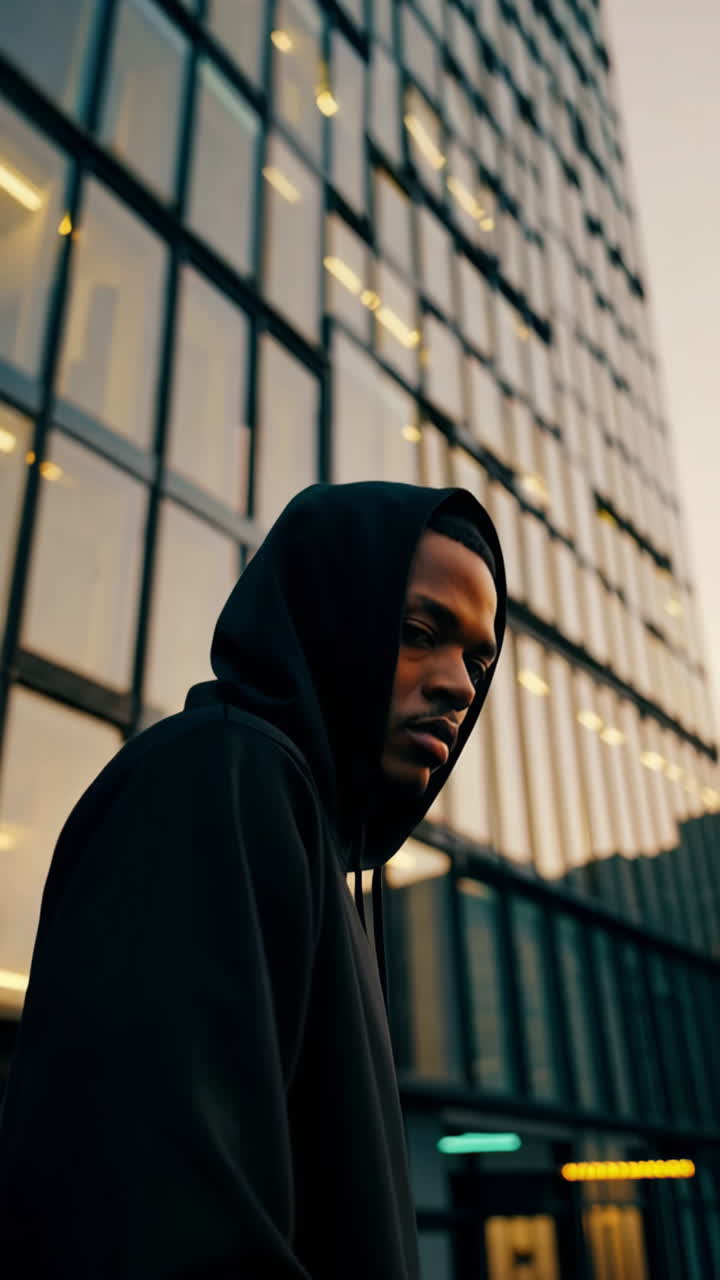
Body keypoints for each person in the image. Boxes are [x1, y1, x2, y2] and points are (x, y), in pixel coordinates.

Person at [0, 480, 506, 1278]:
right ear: (327, 616)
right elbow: (151, 1207)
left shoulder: (299, 839)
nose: (461, 685)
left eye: (479, 660)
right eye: (418, 633)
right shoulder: (217, 775)